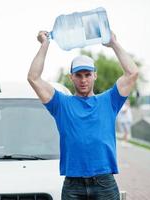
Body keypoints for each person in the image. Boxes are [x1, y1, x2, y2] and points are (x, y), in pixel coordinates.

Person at [27, 30, 139, 200]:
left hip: (104, 183)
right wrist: (45, 44)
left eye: (87, 74)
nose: (83, 79)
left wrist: (114, 43)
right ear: (71, 77)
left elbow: (132, 73)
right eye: (78, 75)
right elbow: (33, 78)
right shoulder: (61, 104)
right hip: (73, 185)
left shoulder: (109, 100)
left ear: (95, 75)